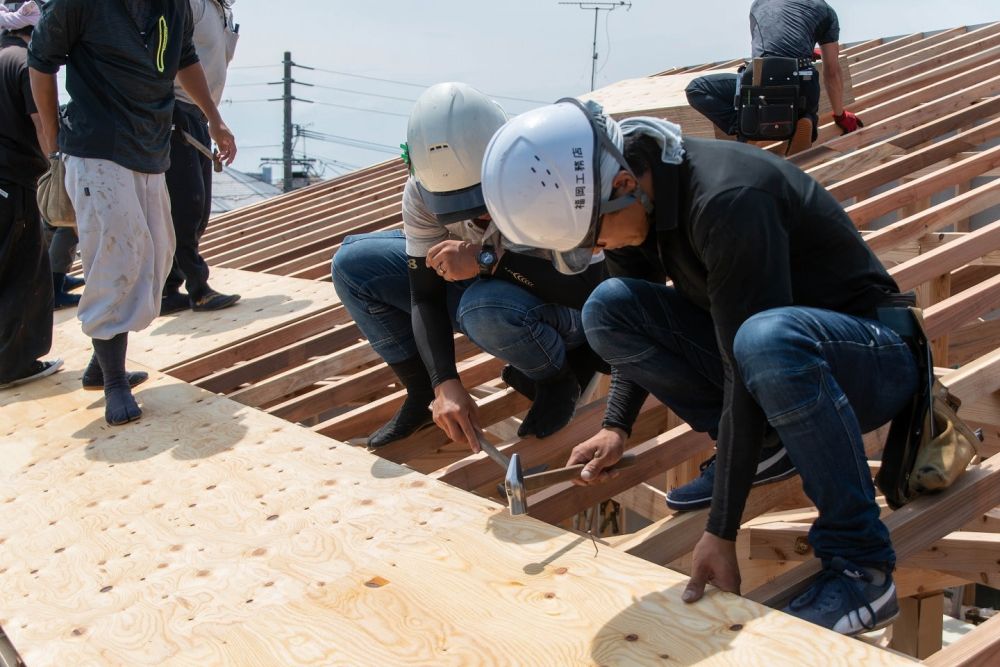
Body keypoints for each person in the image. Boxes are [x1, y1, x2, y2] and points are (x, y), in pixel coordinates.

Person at [480, 98, 920, 635]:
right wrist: (616, 425)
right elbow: (647, 322)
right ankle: (765, 450)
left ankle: (863, 569)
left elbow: (744, 361)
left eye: (595, 234)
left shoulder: (727, 200)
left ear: (622, 185)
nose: (597, 245)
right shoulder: (637, 204)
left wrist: (722, 529)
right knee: (609, 306)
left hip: (873, 360)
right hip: (778, 364)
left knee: (763, 339)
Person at [331, 82, 606, 450]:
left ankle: (557, 378)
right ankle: (421, 396)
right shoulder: (422, 189)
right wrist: (443, 382)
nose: (475, 215)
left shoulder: (546, 176)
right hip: (487, 290)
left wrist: (485, 260)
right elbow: (424, 296)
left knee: (483, 308)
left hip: (562, 309)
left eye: (480, 199)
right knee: (354, 265)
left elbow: (592, 289)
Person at [29, 0, 236, 424]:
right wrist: (52, 142)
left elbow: (184, 58)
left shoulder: (173, 4)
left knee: (156, 255)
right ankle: (113, 381)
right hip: (96, 147)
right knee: (117, 256)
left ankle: (100, 362)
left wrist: (214, 118)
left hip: (151, 145)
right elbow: (41, 62)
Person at [684, 0, 862, 153]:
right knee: (804, 79)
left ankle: (746, 126)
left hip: (761, 81)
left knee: (696, 88)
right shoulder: (825, 11)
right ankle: (804, 118)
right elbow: (832, 70)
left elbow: (771, 46)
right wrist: (840, 116)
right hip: (803, 81)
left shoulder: (759, 4)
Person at [160, 0, 240, 315]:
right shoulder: (189, 4)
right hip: (175, 109)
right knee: (186, 205)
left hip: (197, 112)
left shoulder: (222, 11)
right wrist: (214, 118)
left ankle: (168, 289)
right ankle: (198, 287)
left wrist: (211, 118)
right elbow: (175, 57)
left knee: (198, 207)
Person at [0, 0, 62, 389]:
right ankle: (12, 365)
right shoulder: (25, 63)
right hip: (12, 183)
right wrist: (58, 167)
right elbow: (44, 127)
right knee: (23, 274)